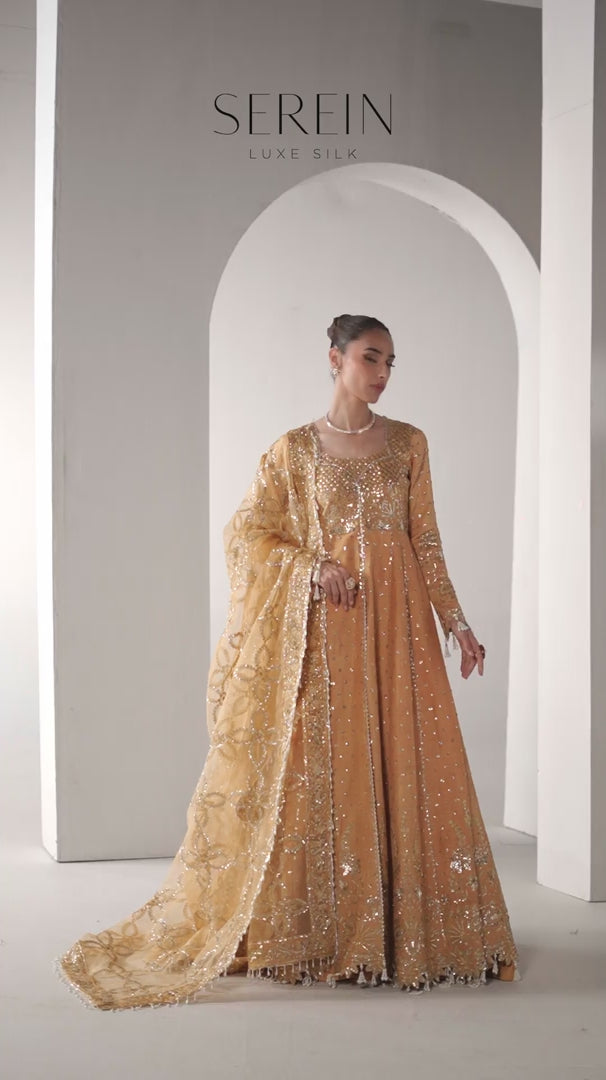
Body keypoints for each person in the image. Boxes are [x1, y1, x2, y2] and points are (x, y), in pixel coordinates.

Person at [53, 313, 520, 1011]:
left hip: (400, 633)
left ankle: (406, 932)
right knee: (322, 769)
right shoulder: (293, 452)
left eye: (391, 361)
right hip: (330, 631)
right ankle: (321, 936)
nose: (383, 373)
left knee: (410, 762)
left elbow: (426, 541)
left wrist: (457, 623)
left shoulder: (410, 443)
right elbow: (248, 532)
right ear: (335, 359)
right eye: (370, 357)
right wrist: (312, 566)